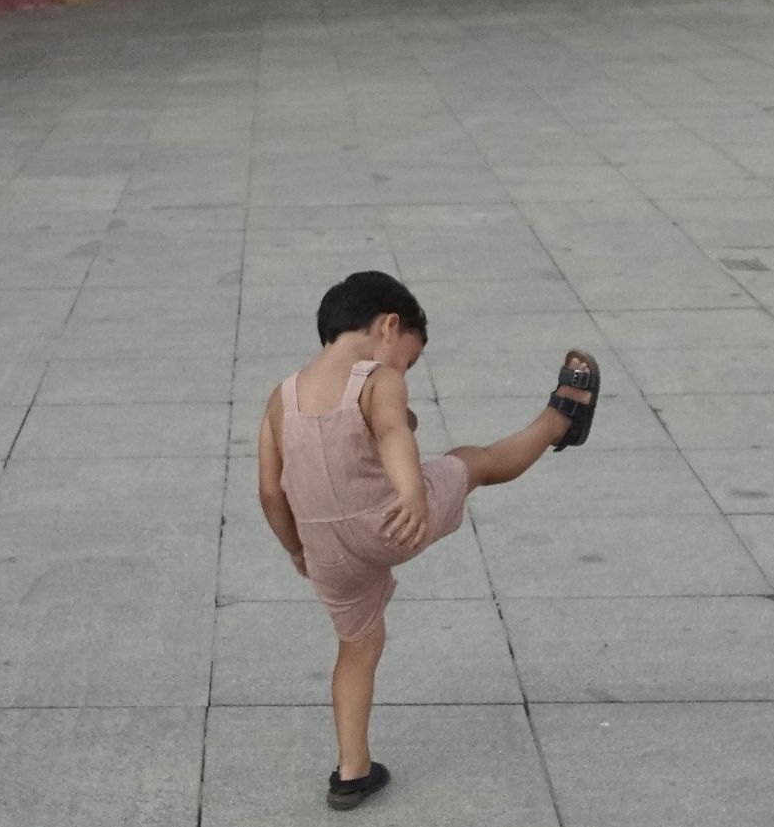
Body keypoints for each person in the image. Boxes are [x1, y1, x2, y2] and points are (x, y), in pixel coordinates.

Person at [256, 271, 601, 810]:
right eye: (409, 359)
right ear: (390, 326)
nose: (404, 370)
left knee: (357, 647)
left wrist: (297, 551)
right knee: (474, 462)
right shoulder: (377, 379)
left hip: (325, 551)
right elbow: (395, 435)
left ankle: (352, 772)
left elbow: (270, 493)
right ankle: (563, 418)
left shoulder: (281, 398)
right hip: (391, 520)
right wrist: (412, 492)